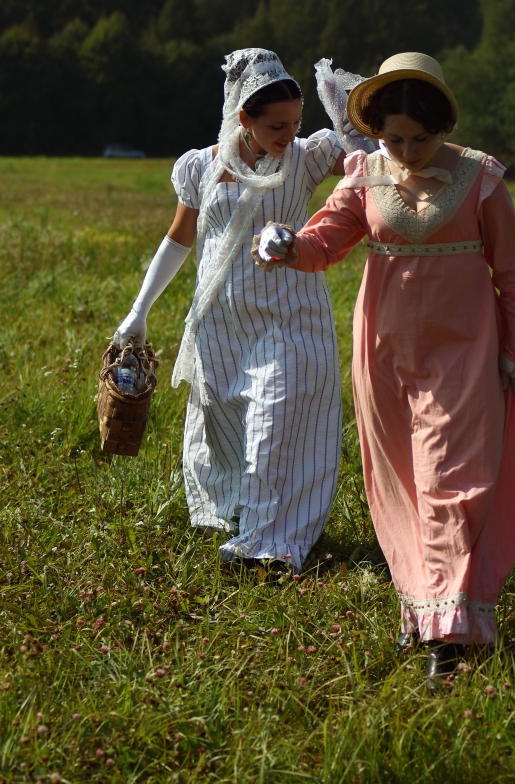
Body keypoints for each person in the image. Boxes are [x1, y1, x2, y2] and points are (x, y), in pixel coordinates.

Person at [254, 52, 515, 689]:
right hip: (383, 353)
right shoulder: (363, 174)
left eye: (420, 138)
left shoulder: (480, 178)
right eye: (393, 139)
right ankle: (426, 605)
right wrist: (286, 246)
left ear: (442, 126)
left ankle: (452, 636)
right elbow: (325, 239)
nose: (406, 152)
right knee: (404, 484)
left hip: (464, 352)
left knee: (453, 484)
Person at [113, 47, 370, 572]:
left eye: (296, 122)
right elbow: (180, 239)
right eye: (276, 124)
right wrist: (138, 312)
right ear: (242, 118)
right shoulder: (200, 167)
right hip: (221, 325)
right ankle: (244, 519)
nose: (288, 133)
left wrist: (346, 118)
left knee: (274, 424)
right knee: (228, 430)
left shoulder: (305, 157)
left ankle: (270, 545)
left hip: (288, 316)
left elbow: (372, 161)